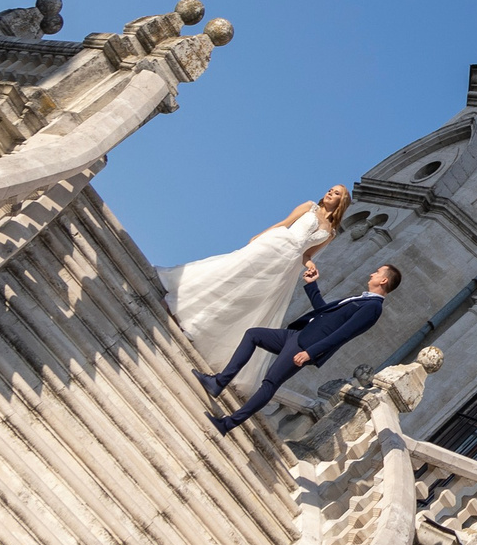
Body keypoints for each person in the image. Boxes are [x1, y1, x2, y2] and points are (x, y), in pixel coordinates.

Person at [159, 186, 348, 382]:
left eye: (336, 193)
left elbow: (307, 254)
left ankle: (200, 324)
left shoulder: (331, 232)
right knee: (232, 275)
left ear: (341, 202)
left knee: (249, 295)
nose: (329, 193)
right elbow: (284, 223)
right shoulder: (309, 207)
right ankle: (181, 301)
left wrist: (310, 265)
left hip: (288, 264)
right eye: (330, 190)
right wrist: (259, 237)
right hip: (275, 245)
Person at [195, 259, 399, 434]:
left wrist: (310, 353)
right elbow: (324, 312)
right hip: (296, 335)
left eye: (378, 272)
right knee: (253, 334)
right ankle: (218, 382)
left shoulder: (372, 307)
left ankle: (227, 424)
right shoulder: (363, 299)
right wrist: (311, 285)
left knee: (270, 383)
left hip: (306, 346)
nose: (373, 273)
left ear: (384, 280)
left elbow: (342, 335)